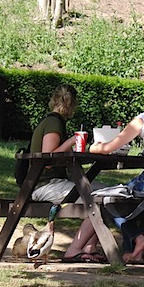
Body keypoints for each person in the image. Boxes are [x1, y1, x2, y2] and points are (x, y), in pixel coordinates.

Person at [66, 79, 144, 264]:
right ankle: (132, 252)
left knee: (106, 199)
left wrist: (95, 148)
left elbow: (110, 147)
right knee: (125, 201)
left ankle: (138, 239)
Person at [28, 84, 106, 263]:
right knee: (99, 197)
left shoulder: (53, 121)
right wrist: (73, 140)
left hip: (52, 183)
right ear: (73, 104)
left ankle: (89, 247)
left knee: (106, 192)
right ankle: (75, 249)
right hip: (46, 186)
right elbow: (48, 160)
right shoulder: (53, 122)